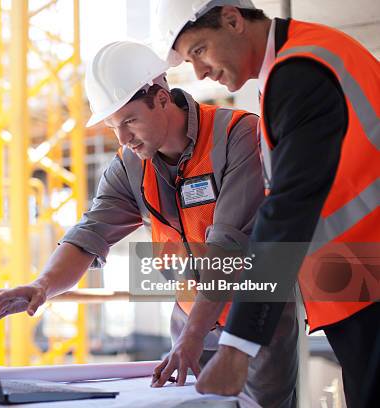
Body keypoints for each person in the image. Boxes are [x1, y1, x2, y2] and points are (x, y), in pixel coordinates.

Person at [0, 40, 298, 407]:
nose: (123, 138)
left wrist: (191, 339)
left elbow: (227, 250)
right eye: (113, 125)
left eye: (130, 120)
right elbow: (90, 233)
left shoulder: (237, 136)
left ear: (162, 98)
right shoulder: (131, 165)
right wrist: (43, 285)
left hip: (253, 325)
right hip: (189, 326)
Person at [154, 1, 380, 406]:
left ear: (233, 20)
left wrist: (237, 346)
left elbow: (288, 210)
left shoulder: (300, 72)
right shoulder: (305, 59)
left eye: (200, 51)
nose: (200, 72)